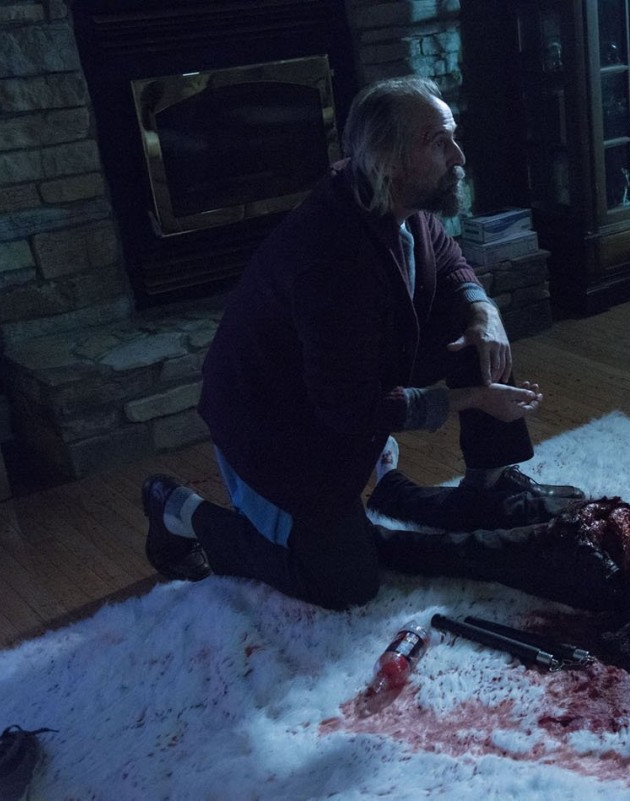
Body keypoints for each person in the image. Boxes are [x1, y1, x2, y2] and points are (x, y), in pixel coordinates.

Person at [141, 76, 583, 610]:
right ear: (389, 161)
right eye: (439, 142)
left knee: (467, 323)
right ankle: (177, 508)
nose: (459, 156)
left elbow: (448, 258)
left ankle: (482, 490)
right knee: (345, 581)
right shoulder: (332, 263)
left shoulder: (392, 198)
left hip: (334, 393)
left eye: (453, 137)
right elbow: (348, 409)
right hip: (274, 428)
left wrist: (482, 309)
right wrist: (472, 398)